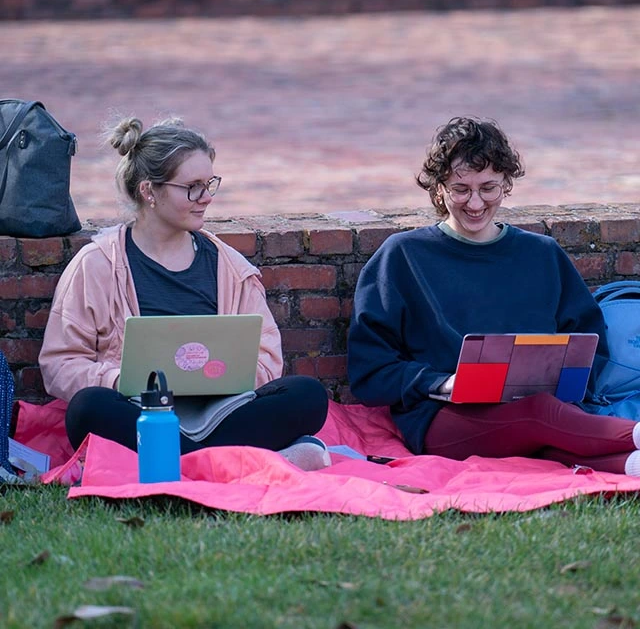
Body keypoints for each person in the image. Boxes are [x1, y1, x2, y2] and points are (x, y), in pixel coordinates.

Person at [347, 116, 640, 477]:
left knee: (543, 423)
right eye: (460, 189)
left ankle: (629, 465)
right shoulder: (402, 256)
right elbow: (368, 371)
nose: (474, 203)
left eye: (488, 188)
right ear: (438, 188)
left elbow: (591, 343)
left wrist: (567, 381)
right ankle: (633, 436)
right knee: (538, 414)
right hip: (444, 418)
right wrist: (440, 382)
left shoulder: (543, 254)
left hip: (546, 408)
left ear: (507, 185)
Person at [38, 116, 330, 471]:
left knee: (308, 396)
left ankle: (179, 462)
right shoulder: (97, 264)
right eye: (192, 187)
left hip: (222, 411)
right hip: (140, 410)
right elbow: (60, 364)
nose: (206, 198)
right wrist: (120, 380)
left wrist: (228, 377)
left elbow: (267, 356)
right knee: (87, 408)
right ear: (149, 191)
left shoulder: (228, 265)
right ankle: (240, 463)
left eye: (210, 184)